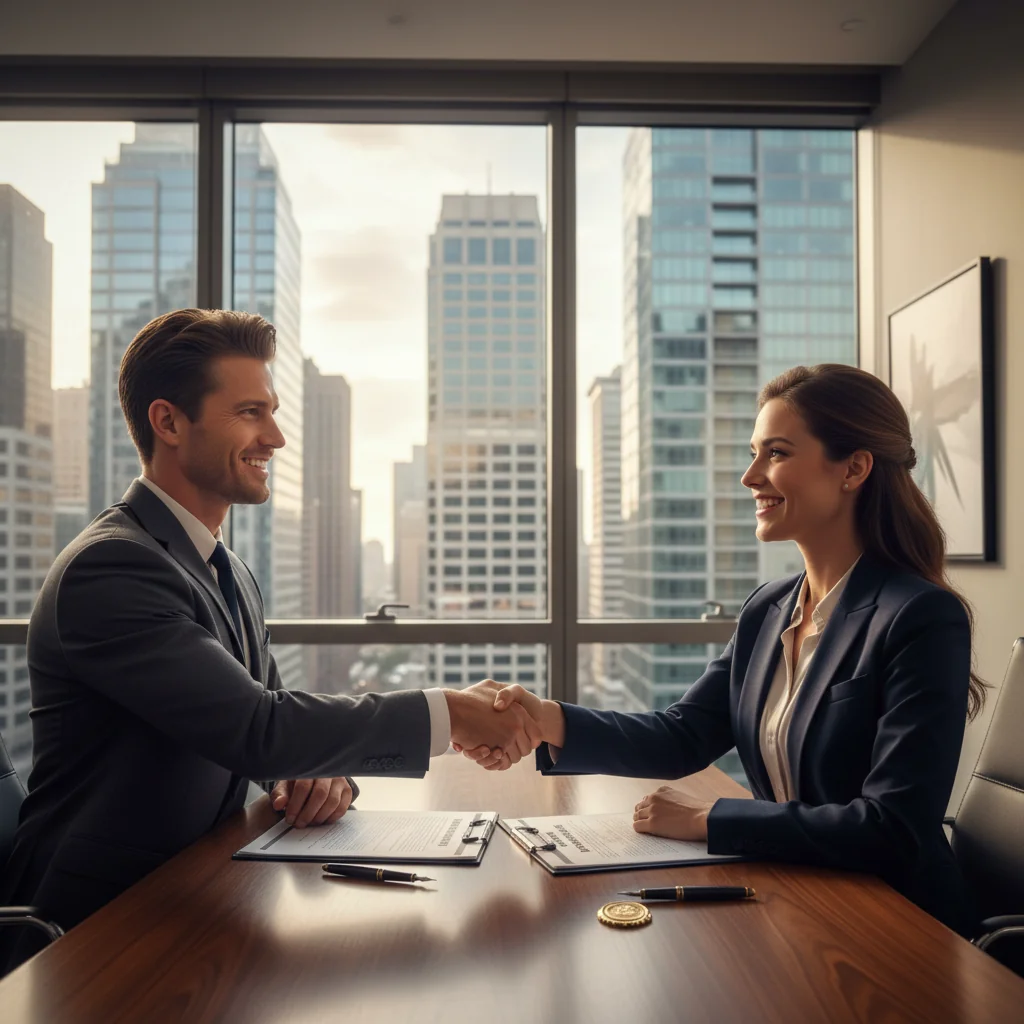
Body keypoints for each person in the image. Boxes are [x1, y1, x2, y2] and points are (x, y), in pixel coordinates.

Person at [1, 309, 541, 969]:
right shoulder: (112, 568)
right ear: (168, 422)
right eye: (250, 413)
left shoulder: (227, 569)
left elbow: (275, 734)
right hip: (94, 931)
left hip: (201, 894)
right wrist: (449, 711)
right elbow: (261, 728)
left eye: (273, 412)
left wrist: (319, 777)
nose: (277, 438)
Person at [462, 364, 984, 936]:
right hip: (799, 896)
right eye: (754, 453)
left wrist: (710, 818)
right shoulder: (769, 608)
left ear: (854, 468)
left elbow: (894, 829)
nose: (750, 476)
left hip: (900, 924)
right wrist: (545, 720)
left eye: (776, 454)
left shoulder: (920, 617)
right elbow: (683, 734)